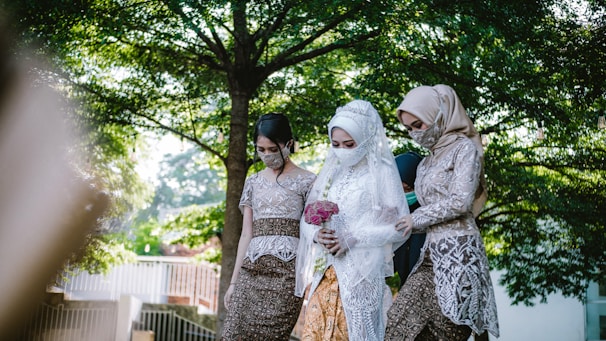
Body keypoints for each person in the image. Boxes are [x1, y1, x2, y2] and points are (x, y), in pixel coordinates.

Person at [385, 84, 499, 340]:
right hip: (429, 257)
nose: (415, 133)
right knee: (396, 326)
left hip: (459, 256)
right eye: (409, 128)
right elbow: (423, 210)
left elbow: (461, 202)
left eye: (419, 124)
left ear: (438, 115)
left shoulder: (464, 149)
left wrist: (415, 219)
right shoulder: (426, 162)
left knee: (446, 331)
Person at [295, 99, 410, 341]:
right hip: (326, 272)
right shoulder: (332, 174)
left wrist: (354, 237)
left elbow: (400, 227)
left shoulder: (382, 173)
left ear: (366, 139)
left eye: (349, 144)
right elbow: (307, 219)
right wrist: (316, 234)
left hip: (361, 274)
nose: (342, 150)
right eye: (335, 144)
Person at [222, 113, 316, 340]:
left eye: (272, 149)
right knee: (232, 334)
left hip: (287, 276)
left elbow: (313, 234)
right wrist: (233, 283)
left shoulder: (309, 181)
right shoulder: (252, 182)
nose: (266, 155)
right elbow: (246, 234)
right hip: (250, 272)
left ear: (289, 144)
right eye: (260, 150)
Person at [392, 151, 426, 289]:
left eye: (409, 188)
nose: (404, 195)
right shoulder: (389, 211)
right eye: (399, 190)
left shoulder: (430, 212)